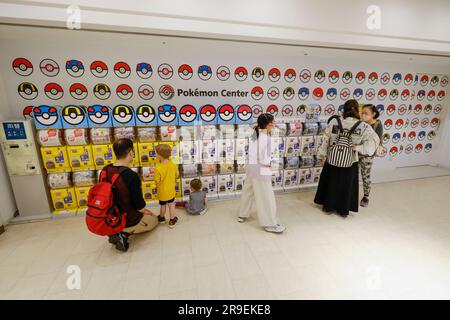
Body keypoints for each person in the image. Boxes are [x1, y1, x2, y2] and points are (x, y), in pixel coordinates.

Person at [314, 100, 380, 218]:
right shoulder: (363, 126)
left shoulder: (335, 122)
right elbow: (375, 141)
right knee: (346, 185)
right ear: (357, 111)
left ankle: (328, 205)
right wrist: (359, 148)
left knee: (332, 183)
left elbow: (325, 140)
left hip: (332, 159)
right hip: (350, 161)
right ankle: (343, 209)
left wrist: (321, 155)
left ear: (344, 110)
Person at [103, 138, 158, 252]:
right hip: (127, 218)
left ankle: (114, 230)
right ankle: (123, 233)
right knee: (154, 220)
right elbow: (139, 205)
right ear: (130, 152)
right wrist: (146, 211)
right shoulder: (131, 175)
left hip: (110, 215)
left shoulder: (105, 169)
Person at [237, 113, 286, 233]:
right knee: (266, 197)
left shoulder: (254, 134)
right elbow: (265, 159)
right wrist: (272, 164)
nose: (274, 125)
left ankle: (242, 214)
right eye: (273, 123)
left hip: (251, 168)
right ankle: (269, 223)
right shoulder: (268, 139)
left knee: (248, 191)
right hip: (262, 170)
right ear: (269, 125)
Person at [359, 104, 383, 207]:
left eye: (366, 113)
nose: (364, 115)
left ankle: (366, 196)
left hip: (368, 155)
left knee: (366, 175)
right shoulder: (360, 123)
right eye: (362, 113)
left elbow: (377, 141)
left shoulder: (377, 125)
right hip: (357, 151)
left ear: (373, 114)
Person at [154, 143, 179, 228]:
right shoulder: (173, 165)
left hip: (162, 192)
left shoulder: (158, 167)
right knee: (171, 205)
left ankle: (161, 218)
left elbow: (157, 181)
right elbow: (177, 174)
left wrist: (156, 186)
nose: (155, 155)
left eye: (156, 153)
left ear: (160, 156)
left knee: (163, 205)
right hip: (171, 190)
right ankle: (172, 220)